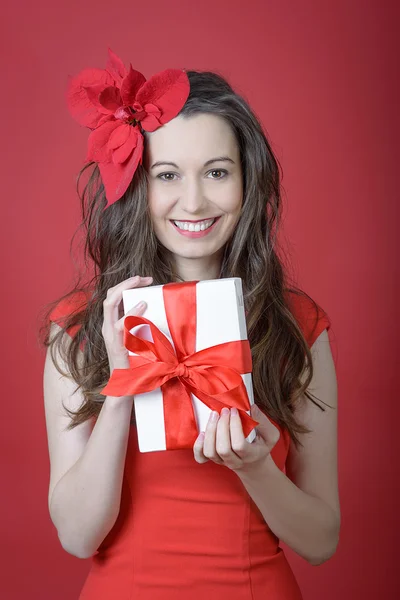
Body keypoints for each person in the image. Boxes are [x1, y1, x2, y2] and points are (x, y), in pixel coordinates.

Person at [41, 48, 340, 600]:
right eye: (167, 175)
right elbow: (79, 537)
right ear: (133, 184)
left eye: (218, 172)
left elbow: (321, 541)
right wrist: (123, 383)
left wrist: (256, 469)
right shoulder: (80, 329)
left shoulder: (297, 327)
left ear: (248, 182)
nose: (195, 200)